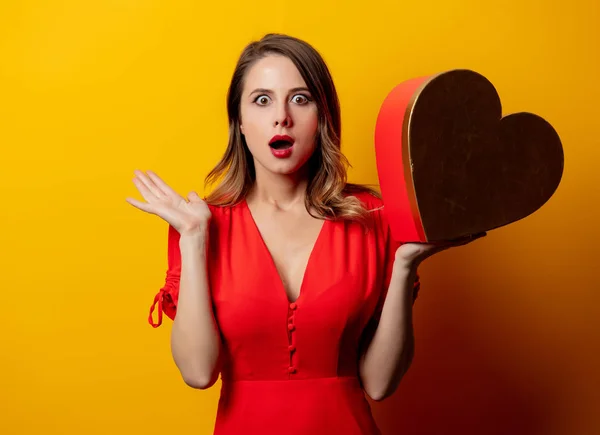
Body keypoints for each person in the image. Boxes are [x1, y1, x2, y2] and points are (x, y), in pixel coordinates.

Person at [126, 33, 484, 435]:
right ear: (240, 121)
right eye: (262, 100)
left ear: (323, 116)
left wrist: (403, 264)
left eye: (300, 98)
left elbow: (380, 384)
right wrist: (192, 239)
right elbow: (197, 372)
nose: (282, 116)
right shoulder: (198, 224)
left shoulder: (375, 218)